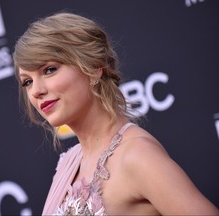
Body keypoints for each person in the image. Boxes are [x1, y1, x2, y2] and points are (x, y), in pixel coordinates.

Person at [13, 12, 219, 215]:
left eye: (49, 70)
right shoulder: (69, 162)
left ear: (93, 68)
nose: (36, 91)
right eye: (27, 82)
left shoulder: (136, 155)